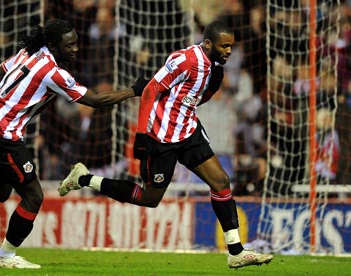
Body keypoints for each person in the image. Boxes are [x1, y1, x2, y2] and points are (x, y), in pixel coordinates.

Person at [0, 19, 149, 269]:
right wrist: (134, 90)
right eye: (70, 45)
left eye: (76, 44)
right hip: (4, 135)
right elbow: (96, 100)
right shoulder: (52, 72)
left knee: (0, 191)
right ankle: (5, 256)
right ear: (54, 46)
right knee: (33, 196)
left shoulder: (28, 53)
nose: (75, 49)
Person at [58, 19, 274, 269]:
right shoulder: (185, 60)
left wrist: (186, 107)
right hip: (160, 138)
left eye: (231, 47)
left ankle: (236, 251)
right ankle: (83, 179)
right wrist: (142, 135)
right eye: (224, 46)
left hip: (188, 132)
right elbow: (149, 91)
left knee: (221, 182)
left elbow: (199, 96)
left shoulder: (215, 69)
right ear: (207, 43)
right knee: (149, 198)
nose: (228, 51)